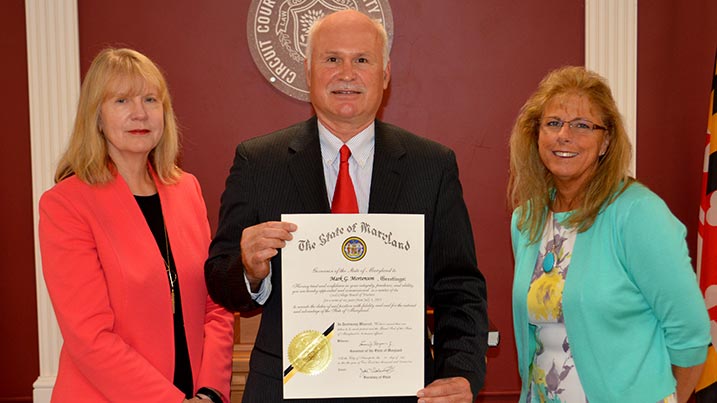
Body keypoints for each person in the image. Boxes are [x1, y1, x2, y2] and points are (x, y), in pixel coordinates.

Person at [205, 9, 487, 403]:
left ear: (385, 74)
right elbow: (220, 280)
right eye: (332, 59)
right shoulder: (258, 162)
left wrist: (461, 372)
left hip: (404, 391)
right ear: (308, 70)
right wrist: (250, 270)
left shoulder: (432, 167)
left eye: (362, 60)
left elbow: (459, 288)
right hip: (284, 390)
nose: (347, 73)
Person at [39, 48, 235, 402]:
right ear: (96, 117)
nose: (140, 113)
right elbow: (90, 336)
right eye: (121, 100)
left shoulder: (186, 189)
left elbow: (214, 304)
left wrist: (212, 390)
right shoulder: (66, 204)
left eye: (150, 99)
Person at [508, 65, 711, 403]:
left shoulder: (637, 213)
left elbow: (690, 334)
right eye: (553, 123)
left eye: (583, 125)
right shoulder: (526, 220)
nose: (564, 135)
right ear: (536, 134)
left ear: (605, 142)